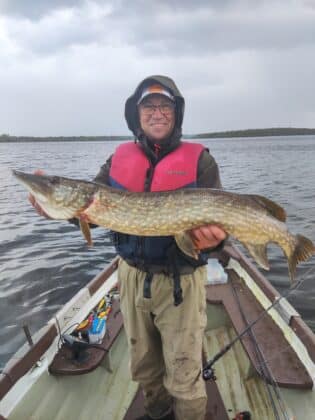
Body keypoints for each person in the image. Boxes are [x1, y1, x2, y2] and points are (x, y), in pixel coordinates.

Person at [29, 75, 227, 420]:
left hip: (180, 284)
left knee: (184, 377)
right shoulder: (116, 160)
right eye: (148, 106)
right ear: (136, 116)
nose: (157, 113)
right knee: (146, 369)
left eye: (165, 105)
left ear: (176, 112)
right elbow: (89, 211)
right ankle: (157, 413)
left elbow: (222, 227)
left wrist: (219, 241)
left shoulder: (201, 162)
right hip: (132, 279)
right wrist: (55, 207)